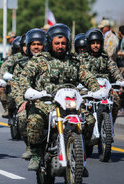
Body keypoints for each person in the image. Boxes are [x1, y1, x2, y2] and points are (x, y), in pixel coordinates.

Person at [14, 24, 100, 171]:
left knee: (90, 120)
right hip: (47, 101)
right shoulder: (40, 60)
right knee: (34, 120)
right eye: (57, 43)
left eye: (63, 43)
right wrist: (28, 90)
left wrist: (97, 90)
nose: (60, 46)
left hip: (70, 102)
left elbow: (88, 77)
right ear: (50, 43)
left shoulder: (74, 61)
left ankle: (79, 155)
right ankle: (35, 153)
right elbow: (25, 76)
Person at [10, 29, 46, 160]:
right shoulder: (22, 64)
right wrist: (21, 101)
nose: (36, 47)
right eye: (33, 44)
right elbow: (16, 86)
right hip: (29, 101)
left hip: (51, 100)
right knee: (22, 117)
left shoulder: (51, 61)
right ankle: (31, 147)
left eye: (39, 44)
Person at [80, 29, 124, 122]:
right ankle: (83, 126)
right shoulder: (82, 58)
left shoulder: (105, 57)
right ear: (89, 44)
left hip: (104, 87)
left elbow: (114, 70)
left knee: (116, 99)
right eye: (93, 43)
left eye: (98, 43)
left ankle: (110, 122)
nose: (96, 45)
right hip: (87, 88)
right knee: (80, 102)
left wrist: (121, 81)